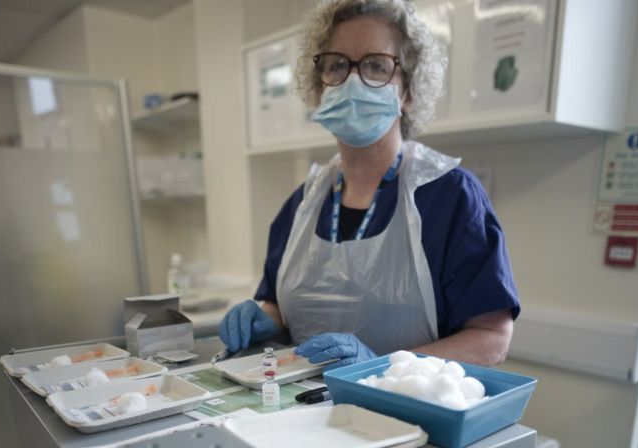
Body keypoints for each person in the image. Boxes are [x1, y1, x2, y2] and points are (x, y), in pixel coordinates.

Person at [219, 0, 519, 371]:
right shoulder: (303, 203)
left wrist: (383, 366)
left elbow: (491, 339)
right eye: (337, 65)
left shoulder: (448, 196)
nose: (353, 81)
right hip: (299, 412)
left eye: (376, 66)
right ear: (319, 88)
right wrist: (264, 318)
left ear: (407, 91)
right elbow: (279, 306)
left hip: (410, 415)